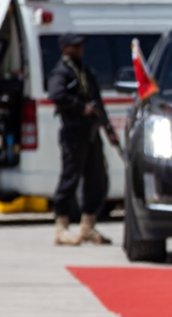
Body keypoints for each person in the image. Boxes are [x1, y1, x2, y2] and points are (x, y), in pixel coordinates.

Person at [46, 33, 115, 245]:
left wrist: (108, 128)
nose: (80, 49)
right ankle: (62, 228)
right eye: (75, 46)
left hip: (91, 133)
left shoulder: (84, 70)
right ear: (65, 48)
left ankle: (88, 226)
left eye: (80, 45)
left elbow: (97, 101)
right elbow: (56, 94)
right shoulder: (62, 71)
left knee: (97, 180)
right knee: (70, 179)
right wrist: (80, 107)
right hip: (73, 133)